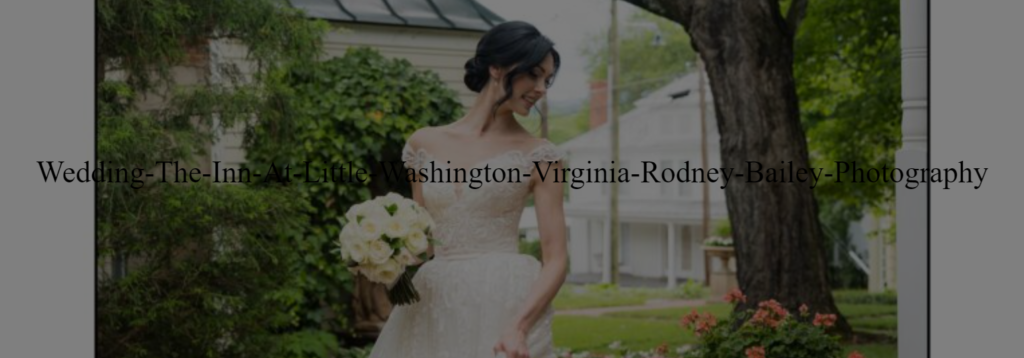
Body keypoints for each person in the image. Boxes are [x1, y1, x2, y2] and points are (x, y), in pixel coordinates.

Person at [366, 21, 568, 358]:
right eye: (533, 74)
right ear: (497, 67)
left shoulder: (541, 155)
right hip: (433, 300)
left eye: (547, 79)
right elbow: (424, 240)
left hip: (501, 299)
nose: (541, 88)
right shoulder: (423, 143)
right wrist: (380, 250)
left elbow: (557, 259)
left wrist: (518, 326)